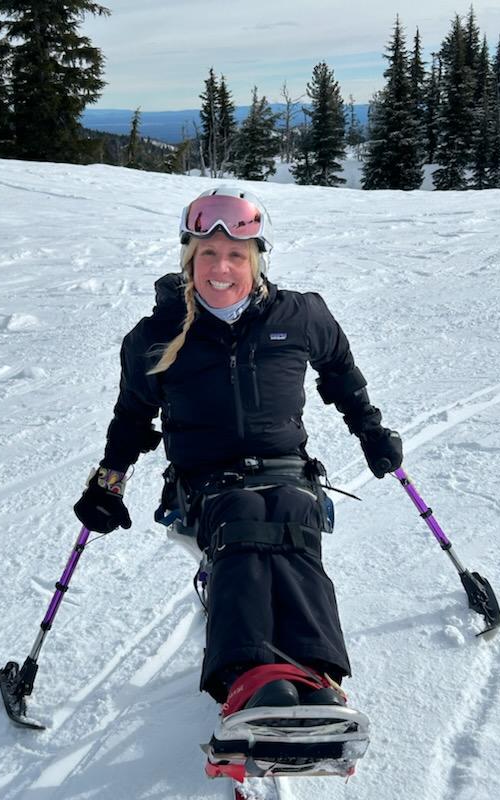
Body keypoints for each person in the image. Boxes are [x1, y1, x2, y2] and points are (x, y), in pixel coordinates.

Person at [73, 186, 403, 773]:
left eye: (236, 257)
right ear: (188, 260)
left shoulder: (300, 314)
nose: (221, 270)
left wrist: (371, 431)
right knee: (245, 518)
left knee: (291, 515)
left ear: (256, 260)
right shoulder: (156, 336)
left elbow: (342, 375)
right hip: (205, 482)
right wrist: (108, 481)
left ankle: (313, 674)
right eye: (208, 255)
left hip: (286, 470)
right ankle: (252, 678)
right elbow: (130, 418)